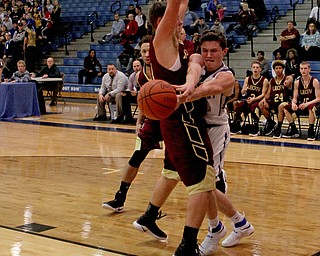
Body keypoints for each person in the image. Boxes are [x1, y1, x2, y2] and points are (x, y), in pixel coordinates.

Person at [132, 2, 220, 255]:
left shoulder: (175, 43)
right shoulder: (162, 41)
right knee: (202, 181)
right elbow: (174, 6)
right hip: (183, 123)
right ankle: (187, 246)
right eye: (176, 21)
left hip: (175, 121)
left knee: (172, 171)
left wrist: (192, 79)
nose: (182, 23)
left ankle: (148, 216)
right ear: (161, 23)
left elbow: (180, 7)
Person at [282, 61, 320, 140]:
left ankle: (311, 131)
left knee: (311, 108)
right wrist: (293, 103)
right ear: (299, 70)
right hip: (301, 105)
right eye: (301, 69)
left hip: (313, 104)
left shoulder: (314, 81)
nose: (303, 70)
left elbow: (318, 98)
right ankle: (294, 130)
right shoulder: (297, 82)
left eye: (305, 68)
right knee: (285, 107)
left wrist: (307, 104)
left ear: (309, 69)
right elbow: (295, 98)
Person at [230, 61, 269, 136]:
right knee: (238, 105)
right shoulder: (247, 79)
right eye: (254, 67)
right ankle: (237, 125)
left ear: (260, 69)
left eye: (257, 67)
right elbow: (243, 92)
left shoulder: (264, 80)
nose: (255, 69)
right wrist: (243, 91)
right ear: (251, 69)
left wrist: (253, 99)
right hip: (248, 100)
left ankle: (255, 127)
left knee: (254, 107)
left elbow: (263, 94)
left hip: (258, 100)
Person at [258, 60, 293, 136]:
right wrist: (264, 100)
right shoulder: (272, 80)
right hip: (274, 102)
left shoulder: (287, 77)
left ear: (283, 69)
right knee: (261, 104)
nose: (278, 70)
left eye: (280, 68)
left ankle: (279, 128)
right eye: (276, 68)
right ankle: (271, 122)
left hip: (285, 101)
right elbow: (268, 94)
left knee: (281, 106)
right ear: (274, 69)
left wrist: (288, 82)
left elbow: (290, 79)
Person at [114, 60, 142, 124]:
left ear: (141, 66)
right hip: (136, 94)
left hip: (143, 94)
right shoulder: (132, 76)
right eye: (134, 66)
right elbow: (129, 88)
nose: (136, 68)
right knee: (124, 97)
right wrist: (126, 92)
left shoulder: (144, 75)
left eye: (138, 66)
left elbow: (146, 88)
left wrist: (137, 92)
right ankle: (128, 117)